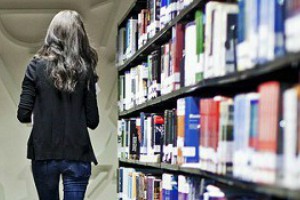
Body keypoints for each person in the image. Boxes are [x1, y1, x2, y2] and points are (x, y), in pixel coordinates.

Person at [17, 10, 99, 200]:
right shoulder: (86, 70)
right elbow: (93, 120)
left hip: (44, 151)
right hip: (78, 152)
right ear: (80, 37)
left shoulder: (35, 67)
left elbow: (22, 114)